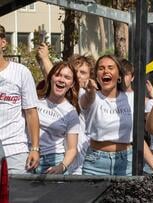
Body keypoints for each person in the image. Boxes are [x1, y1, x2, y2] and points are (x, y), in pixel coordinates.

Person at [80, 54, 153, 177]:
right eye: (101, 68)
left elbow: (140, 138)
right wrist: (90, 91)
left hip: (125, 161)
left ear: (119, 76)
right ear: (96, 75)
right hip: (96, 162)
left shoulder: (131, 99)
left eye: (110, 68)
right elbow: (87, 100)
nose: (106, 71)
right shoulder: (91, 95)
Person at [36, 45, 96, 174]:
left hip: (82, 160)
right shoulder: (64, 92)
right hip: (61, 158)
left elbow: (87, 100)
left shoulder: (83, 94)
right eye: (76, 71)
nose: (78, 75)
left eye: (83, 72)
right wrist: (44, 59)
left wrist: (91, 92)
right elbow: (54, 76)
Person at [0, 24, 40, 174]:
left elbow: (31, 112)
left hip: (15, 150)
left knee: (18, 197)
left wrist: (35, 148)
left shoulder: (21, 72)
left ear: (3, 42)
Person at [35, 61, 80, 174]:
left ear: (72, 84)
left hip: (53, 161)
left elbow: (72, 149)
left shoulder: (71, 112)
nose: (61, 79)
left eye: (67, 77)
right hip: (28, 157)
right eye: (58, 75)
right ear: (50, 78)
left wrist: (62, 167)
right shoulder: (35, 100)